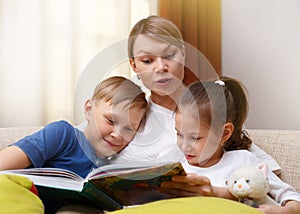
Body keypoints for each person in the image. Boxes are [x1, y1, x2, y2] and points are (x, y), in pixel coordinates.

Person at [110, 15, 281, 176]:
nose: (161, 67)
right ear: (134, 66)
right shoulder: (132, 119)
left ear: (183, 53)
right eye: (147, 60)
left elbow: (268, 171)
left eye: (169, 56)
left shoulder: (211, 105)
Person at [0, 76, 148, 213]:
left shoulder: (110, 172)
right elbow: (4, 163)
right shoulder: (62, 134)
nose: (117, 134)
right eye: (110, 121)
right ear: (89, 110)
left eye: (128, 129)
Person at [159, 76, 300, 214]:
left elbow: (293, 199)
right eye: (179, 134)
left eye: (195, 137)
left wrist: (287, 210)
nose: (185, 146)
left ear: (224, 133)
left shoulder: (243, 162)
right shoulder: (177, 169)